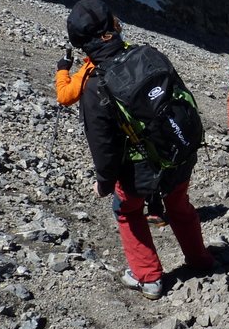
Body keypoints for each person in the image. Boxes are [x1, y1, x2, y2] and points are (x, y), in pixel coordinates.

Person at [65, 0, 213, 300]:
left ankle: (149, 278)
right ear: (114, 26)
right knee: (179, 205)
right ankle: (201, 261)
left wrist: (105, 182)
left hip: (138, 171)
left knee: (126, 210)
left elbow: (103, 145)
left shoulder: (94, 86)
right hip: (179, 152)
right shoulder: (148, 54)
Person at [56, 41, 165, 226]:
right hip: (147, 124)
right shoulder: (132, 52)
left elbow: (65, 96)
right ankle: (156, 209)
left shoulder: (92, 69)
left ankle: (132, 225)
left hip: (120, 135)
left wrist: (62, 70)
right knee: (150, 158)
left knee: (125, 194)